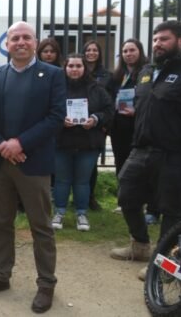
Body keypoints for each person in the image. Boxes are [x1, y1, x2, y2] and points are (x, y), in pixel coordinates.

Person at [110, 21, 181, 275]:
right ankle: (140, 245)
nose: (157, 43)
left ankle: (161, 262)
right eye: (155, 39)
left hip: (175, 154)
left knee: (171, 209)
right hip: (141, 149)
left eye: (164, 39)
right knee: (126, 196)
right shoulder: (146, 72)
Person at [0, 21, 65, 313]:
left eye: (27, 37)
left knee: (41, 226)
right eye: (15, 38)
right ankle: (0, 275)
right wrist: (3, 145)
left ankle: (46, 284)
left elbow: (55, 117)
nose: (21, 42)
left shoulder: (52, 75)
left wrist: (20, 144)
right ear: (7, 43)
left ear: (35, 42)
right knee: (1, 223)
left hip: (33, 162)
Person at [51, 54, 114, 232]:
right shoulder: (56, 88)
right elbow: (47, 109)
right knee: (62, 181)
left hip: (88, 143)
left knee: (82, 182)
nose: (74, 69)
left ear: (84, 68)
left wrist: (95, 119)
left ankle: (81, 213)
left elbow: (109, 110)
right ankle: (59, 212)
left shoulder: (97, 89)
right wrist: (60, 119)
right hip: (62, 142)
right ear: (65, 68)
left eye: (78, 66)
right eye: (71, 66)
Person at [106, 39, 147, 214]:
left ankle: (144, 203)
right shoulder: (116, 76)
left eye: (132, 50)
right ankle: (124, 202)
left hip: (139, 127)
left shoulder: (147, 74)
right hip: (119, 128)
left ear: (140, 52)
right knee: (121, 164)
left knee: (141, 167)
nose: (128, 54)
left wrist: (136, 111)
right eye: (125, 51)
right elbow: (107, 98)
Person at [81, 39, 110, 211]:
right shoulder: (76, 71)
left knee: (91, 165)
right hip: (73, 126)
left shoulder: (106, 75)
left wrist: (104, 121)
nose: (91, 53)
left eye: (95, 50)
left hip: (96, 125)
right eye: (88, 50)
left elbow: (111, 100)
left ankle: (90, 197)